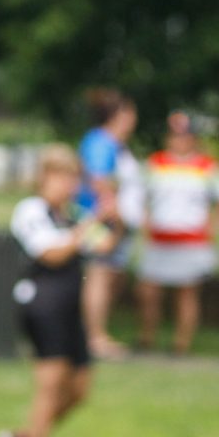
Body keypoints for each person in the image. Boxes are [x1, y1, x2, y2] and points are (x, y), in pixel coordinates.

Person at [0, 144, 113, 437]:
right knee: (50, 387)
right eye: (64, 176)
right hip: (43, 307)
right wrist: (87, 227)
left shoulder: (72, 214)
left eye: (74, 177)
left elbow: (105, 244)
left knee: (79, 389)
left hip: (70, 310)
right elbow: (52, 253)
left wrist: (109, 213)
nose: (70, 185)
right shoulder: (32, 211)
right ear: (46, 177)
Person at [136, 111, 219, 356]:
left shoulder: (207, 166)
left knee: (187, 293)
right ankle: (146, 337)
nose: (179, 140)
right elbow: (140, 196)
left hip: (192, 240)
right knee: (149, 291)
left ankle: (181, 343)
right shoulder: (155, 164)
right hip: (160, 239)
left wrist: (216, 222)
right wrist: (145, 219)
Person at [76, 89, 142, 360]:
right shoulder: (101, 142)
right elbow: (100, 183)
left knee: (110, 276)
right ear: (120, 115)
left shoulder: (115, 144)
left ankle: (96, 332)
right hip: (101, 222)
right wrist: (116, 222)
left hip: (114, 223)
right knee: (99, 275)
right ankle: (94, 337)